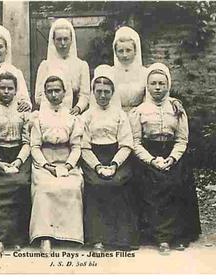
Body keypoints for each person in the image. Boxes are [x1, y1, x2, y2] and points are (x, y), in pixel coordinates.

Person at [130, 62, 201, 255]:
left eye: (162, 83)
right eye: (153, 83)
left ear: (168, 84)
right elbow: (135, 142)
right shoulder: (139, 111)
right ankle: (159, 237)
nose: (158, 87)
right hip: (147, 154)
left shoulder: (177, 109)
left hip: (172, 153)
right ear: (147, 85)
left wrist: (172, 158)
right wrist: (151, 160)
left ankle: (177, 236)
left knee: (176, 183)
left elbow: (182, 139)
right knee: (150, 185)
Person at [81, 65, 139, 251]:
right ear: (93, 92)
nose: (103, 96)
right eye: (99, 91)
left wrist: (114, 164)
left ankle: (122, 238)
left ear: (113, 92)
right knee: (97, 185)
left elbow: (126, 143)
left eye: (107, 91)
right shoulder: (86, 116)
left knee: (118, 183)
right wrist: (97, 166)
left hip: (117, 157)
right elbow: (83, 147)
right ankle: (97, 237)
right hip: (93, 158)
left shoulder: (120, 115)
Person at [29, 70, 84, 253]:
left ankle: (70, 235)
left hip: (66, 160)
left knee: (73, 186)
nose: (53, 94)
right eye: (50, 91)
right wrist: (46, 165)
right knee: (44, 188)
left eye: (57, 90)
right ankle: (45, 236)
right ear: (45, 94)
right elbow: (34, 146)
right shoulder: (38, 117)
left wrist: (68, 165)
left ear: (64, 93)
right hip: (44, 161)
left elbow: (76, 146)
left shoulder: (72, 118)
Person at [0, 72, 31, 253]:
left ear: (16, 90)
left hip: (19, 154)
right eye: (3, 88)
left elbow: (28, 142)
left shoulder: (24, 112)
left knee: (20, 184)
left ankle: (17, 238)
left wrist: (18, 162)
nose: (6, 92)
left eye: (10, 88)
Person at [34, 18, 90, 115]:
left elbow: (85, 95)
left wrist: (78, 108)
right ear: (53, 41)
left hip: (74, 113)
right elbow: (38, 96)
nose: (63, 43)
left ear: (71, 40)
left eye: (66, 39)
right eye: (59, 39)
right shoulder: (45, 66)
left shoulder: (81, 65)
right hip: (50, 114)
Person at [111, 26, 147, 112]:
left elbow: (153, 99)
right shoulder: (109, 73)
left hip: (140, 115)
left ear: (135, 51)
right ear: (115, 52)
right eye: (120, 51)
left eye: (128, 50)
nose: (124, 55)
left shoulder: (145, 73)